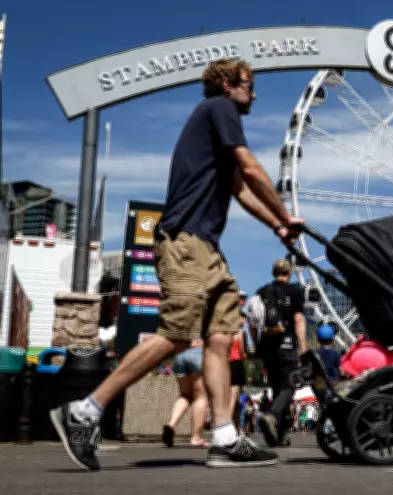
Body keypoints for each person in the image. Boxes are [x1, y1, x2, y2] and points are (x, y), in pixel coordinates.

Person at [49, 58, 304, 471]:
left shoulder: (216, 126)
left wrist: (278, 225)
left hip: (208, 248)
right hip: (184, 241)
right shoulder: (219, 110)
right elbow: (252, 168)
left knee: (222, 337)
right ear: (226, 84)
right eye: (248, 84)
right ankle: (85, 410)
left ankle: (224, 436)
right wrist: (287, 215)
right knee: (177, 335)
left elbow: (241, 190)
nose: (253, 94)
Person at [246, 259, 307, 447]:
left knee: (276, 388)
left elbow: (252, 321)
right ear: (289, 272)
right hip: (287, 346)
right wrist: (303, 347)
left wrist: (255, 345)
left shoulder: (261, 291)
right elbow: (298, 320)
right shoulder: (295, 291)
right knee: (289, 386)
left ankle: (279, 434)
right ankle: (272, 417)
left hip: (267, 347)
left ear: (273, 272)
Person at [162, 340, 209, 448]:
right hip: (199, 353)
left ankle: (171, 425)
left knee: (185, 395)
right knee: (201, 397)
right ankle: (195, 438)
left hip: (180, 355)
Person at [228, 312, 247, 433]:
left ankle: (237, 428)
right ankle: (227, 426)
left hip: (225, 366)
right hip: (236, 364)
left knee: (233, 401)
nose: (244, 321)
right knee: (234, 399)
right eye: (243, 318)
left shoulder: (226, 333)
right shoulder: (240, 332)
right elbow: (242, 351)